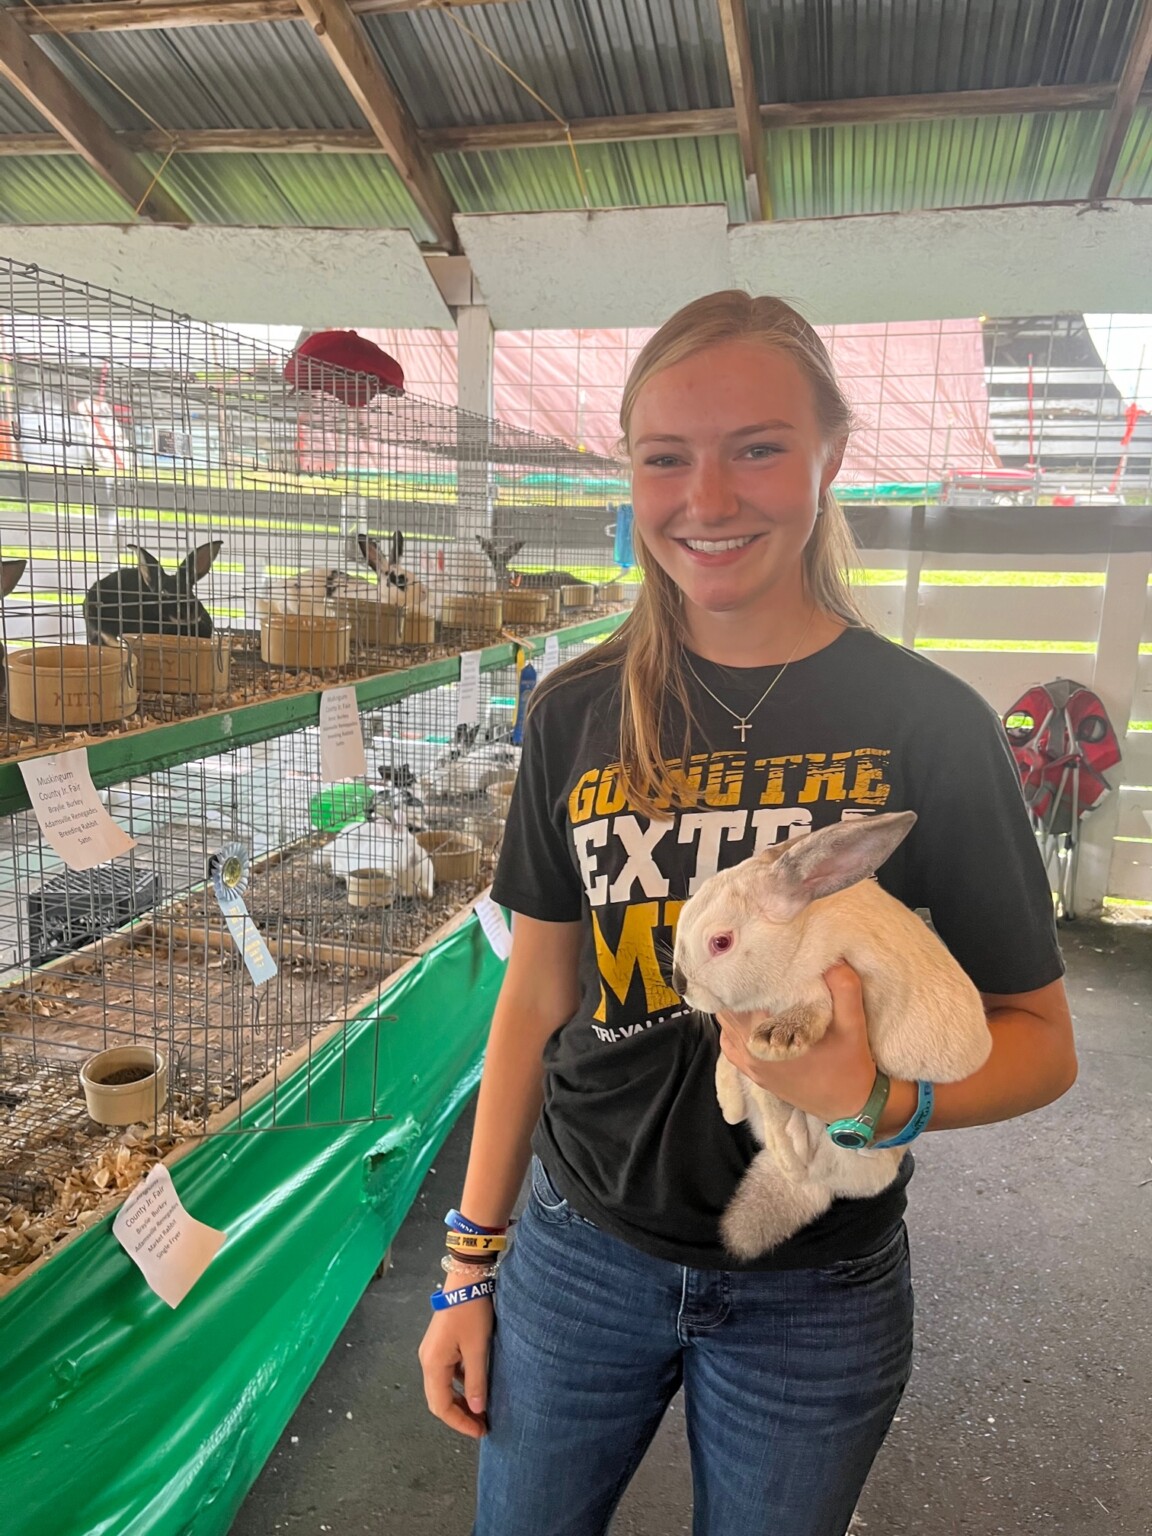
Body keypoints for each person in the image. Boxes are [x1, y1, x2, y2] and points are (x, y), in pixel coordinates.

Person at [418, 291, 1077, 1536]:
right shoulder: (575, 710)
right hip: (578, 1257)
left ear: (831, 455)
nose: (706, 501)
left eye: (758, 448)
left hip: (815, 1288)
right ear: (633, 475)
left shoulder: (928, 727)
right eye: (666, 458)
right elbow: (540, 997)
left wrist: (881, 1100)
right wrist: (470, 1258)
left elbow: (1040, 1039)